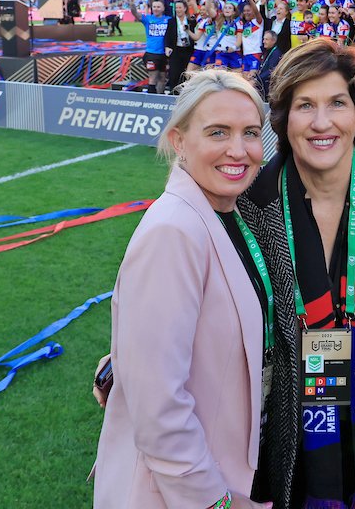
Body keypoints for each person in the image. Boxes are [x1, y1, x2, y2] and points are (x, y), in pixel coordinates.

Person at [237, 39, 355, 509]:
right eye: (305, 106)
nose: (322, 123)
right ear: (283, 118)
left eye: (337, 103)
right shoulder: (252, 201)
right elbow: (203, 286)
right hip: (291, 428)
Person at [94, 70, 272, 509]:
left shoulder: (231, 213)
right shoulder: (174, 230)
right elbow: (159, 408)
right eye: (218, 132)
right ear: (178, 140)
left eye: (250, 133)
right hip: (181, 493)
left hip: (225, 470)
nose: (238, 150)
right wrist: (213, 501)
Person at [129, 0, 170, 93]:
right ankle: (150, 99)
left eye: (158, 7)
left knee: (162, 78)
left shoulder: (168, 20)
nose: (156, 9)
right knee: (153, 77)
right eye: (154, 6)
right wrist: (131, 1)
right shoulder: (148, 19)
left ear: (163, 8)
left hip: (165, 54)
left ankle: (159, 99)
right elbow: (135, 13)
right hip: (151, 53)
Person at [164, 0, 195, 92]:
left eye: (180, 7)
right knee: (174, 73)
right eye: (176, 8)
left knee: (187, 74)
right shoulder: (171, 21)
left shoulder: (191, 21)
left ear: (185, 8)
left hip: (188, 50)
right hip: (176, 49)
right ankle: (173, 93)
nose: (178, 10)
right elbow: (167, 35)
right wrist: (167, 47)